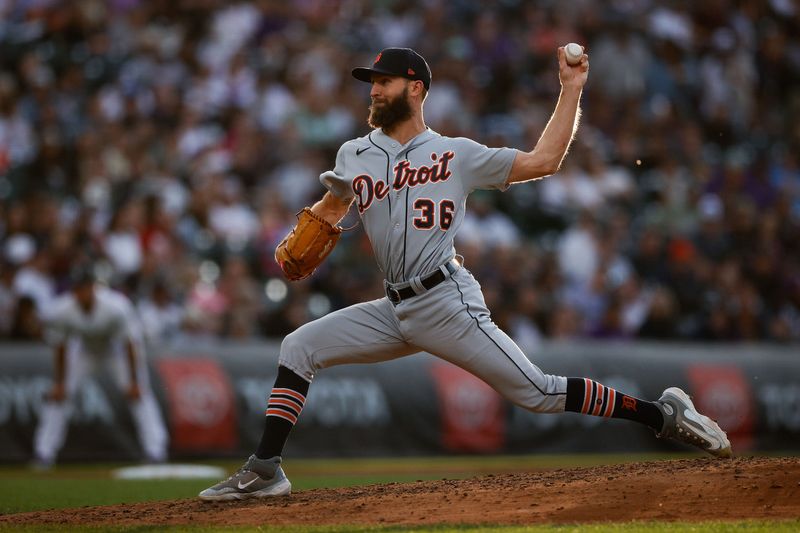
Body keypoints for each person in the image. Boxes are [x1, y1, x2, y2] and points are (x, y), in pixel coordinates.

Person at [199, 47, 730, 501]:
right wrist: (318, 224)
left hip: (446, 302)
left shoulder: (457, 154)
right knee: (298, 347)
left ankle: (663, 414)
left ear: (416, 88)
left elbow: (545, 160)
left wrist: (571, 88)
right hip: (394, 307)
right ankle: (266, 470)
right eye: (372, 84)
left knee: (538, 393)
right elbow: (335, 206)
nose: (374, 92)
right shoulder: (354, 152)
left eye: (383, 83)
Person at [33, 267, 168, 467]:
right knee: (60, 395)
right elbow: (60, 348)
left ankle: (155, 449)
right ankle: (43, 452)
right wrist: (60, 383)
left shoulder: (116, 306)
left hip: (116, 350)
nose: (81, 293)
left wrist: (133, 381)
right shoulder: (62, 310)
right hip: (84, 351)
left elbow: (130, 344)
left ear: (93, 287)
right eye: (77, 288)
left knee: (140, 393)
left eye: (85, 287)